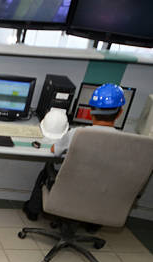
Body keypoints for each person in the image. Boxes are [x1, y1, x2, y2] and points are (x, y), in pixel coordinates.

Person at [22, 83, 126, 220]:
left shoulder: (78, 133)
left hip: (72, 190)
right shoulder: (126, 141)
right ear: (120, 113)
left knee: (47, 169)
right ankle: (92, 225)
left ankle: (32, 211)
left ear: (90, 111)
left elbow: (55, 150)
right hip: (102, 193)